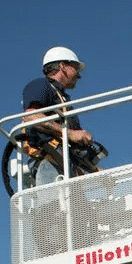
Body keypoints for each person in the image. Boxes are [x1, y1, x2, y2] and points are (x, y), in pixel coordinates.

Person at [21, 46, 93, 186]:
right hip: (50, 165)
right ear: (62, 66)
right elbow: (30, 116)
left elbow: (75, 147)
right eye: (76, 68)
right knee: (54, 207)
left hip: (68, 168)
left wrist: (97, 171)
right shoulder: (41, 85)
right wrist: (70, 133)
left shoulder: (64, 100)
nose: (79, 75)